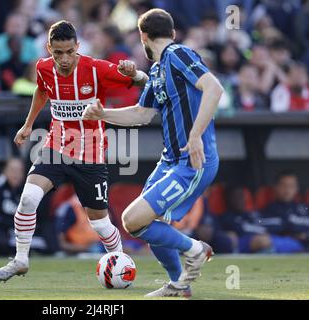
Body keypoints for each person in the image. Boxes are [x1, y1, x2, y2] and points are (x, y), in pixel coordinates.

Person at [0, 20, 148, 282]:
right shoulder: (43, 67)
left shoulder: (95, 68)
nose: (64, 59)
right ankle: (20, 260)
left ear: (77, 46)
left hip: (91, 154)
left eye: (69, 52)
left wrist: (133, 72)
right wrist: (28, 125)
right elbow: (42, 91)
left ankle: (120, 262)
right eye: (58, 53)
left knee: (99, 222)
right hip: (56, 146)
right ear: (49, 48)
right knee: (28, 198)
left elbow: (143, 81)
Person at [84, 8, 223, 297]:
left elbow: (214, 87)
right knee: (143, 223)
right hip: (169, 161)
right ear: (171, 31)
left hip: (193, 160)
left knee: (133, 220)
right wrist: (102, 113)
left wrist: (196, 135)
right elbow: (141, 114)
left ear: (142, 36)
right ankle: (178, 284)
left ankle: (196, 249)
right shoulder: (159, 70)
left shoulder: (179, 54)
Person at [261, 172, 308, 251]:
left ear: (297, 188)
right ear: (276, 187)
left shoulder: (304, 208)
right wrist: (294, 232)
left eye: (291, 186)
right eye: (284, 185)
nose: (287, 190)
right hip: (285, 243)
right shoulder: (270, 209)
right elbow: (271, 228)